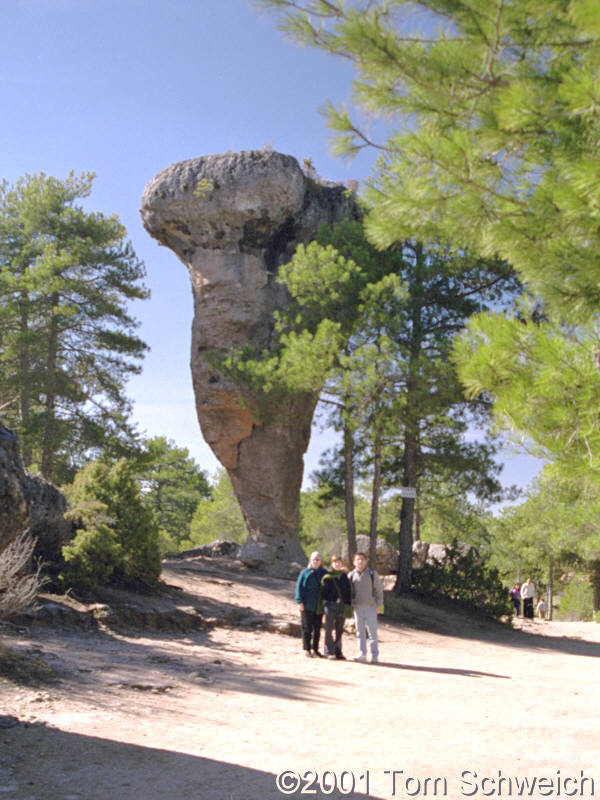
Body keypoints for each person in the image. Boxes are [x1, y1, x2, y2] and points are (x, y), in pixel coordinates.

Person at [348, 552, 384, 664]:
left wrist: (380, 606)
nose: (360, 561)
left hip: (371, 607)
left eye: (362, 559)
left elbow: (379, 591)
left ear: (366, 561)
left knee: (373, 632)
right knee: (360, 632)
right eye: (357, 559)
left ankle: (374, 655)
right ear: (354, 562)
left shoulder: (373, 574)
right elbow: (349, 592)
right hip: (357, 607)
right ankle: (362, 653)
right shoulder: (351, 575)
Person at [294, 551, 327, 657]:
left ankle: (315, 649)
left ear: (321, 561)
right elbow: (299, 588)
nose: (316, 561)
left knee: (317, 628)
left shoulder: (324, 573)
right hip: (307, 604)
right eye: (314, 559)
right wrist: (299, 601)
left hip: (319, 605)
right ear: (310, 561)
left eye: (318, 559)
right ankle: (307, 649)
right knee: (306, 627)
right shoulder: (305, 573)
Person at [320, 555, 352, 660]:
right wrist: (327, 602)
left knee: (339, 628)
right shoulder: (328, 576)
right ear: (331, 564)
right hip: (330, 605)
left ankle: (338, 650)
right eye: (335, 562)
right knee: (329, 628)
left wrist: (348, 604)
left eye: (339, 562)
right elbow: (323, 592)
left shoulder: (344, 577)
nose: (337, 564)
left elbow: (348, 591)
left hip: (342, 606)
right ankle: (329, 651)